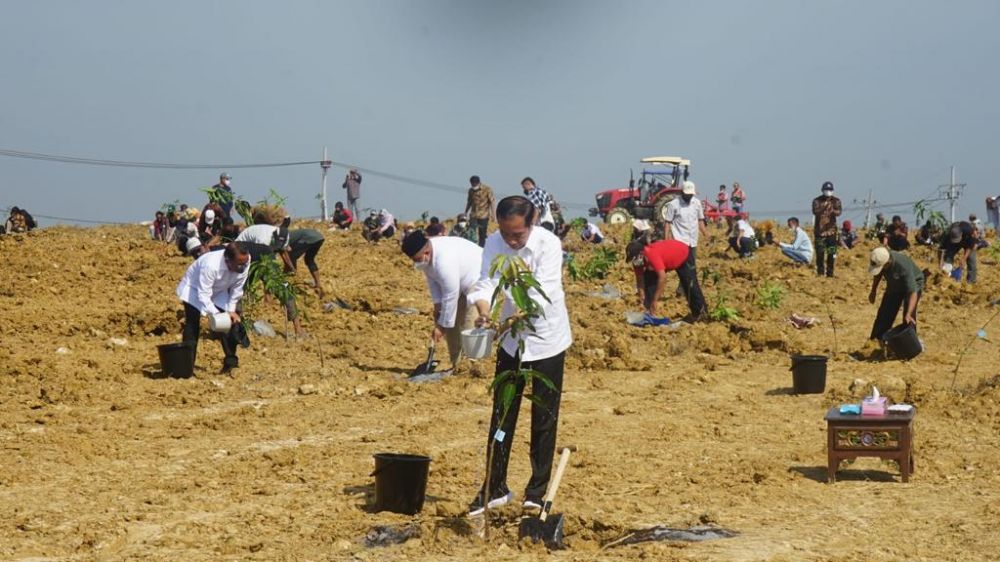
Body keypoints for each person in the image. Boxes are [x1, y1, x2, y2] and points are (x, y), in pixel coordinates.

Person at [466, 195, 572, 516]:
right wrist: (484, 312)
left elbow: (544, 292)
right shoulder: (495, 242)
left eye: (518, 235)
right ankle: (495, 486)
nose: (512, 242)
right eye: (506, 234)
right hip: (513, 344)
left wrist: (507, 319)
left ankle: (536, 491)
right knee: (502, 414)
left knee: (543, 418)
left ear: (533, 220)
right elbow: (486, 282)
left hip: (546, 341)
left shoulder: (548, 245)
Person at [402, 230, 482, 371]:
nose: (416, 263)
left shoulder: (444, 260)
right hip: (458, 282)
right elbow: (433, 281)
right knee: (450, 323)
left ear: (426, 252)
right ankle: (457, 365)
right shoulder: (427, 258)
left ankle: (472, 366)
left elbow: (451, 295)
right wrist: (438, 306)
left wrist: (440, 327)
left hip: (478, 277)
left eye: (417, 259)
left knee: (470, 323)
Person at [175, 243, 251, 374]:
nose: (243, 266)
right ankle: (186, 368)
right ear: (228, 259)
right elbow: (203, 294)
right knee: (192, 325)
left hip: (219, 290)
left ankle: (231, 364)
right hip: (194, 290)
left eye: (244, 263)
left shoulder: (245, 260)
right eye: (239, 263)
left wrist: (231, 311)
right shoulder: (210, 265)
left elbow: (237, 288)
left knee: (228, 324)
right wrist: (216, 314)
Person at [627, 238, 707, 320]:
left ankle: (701, 312)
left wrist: (655, 300)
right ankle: (649, 312)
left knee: (690, 285)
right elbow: (639, 279)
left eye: (634, 258)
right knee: (648, 278)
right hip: (666, 259)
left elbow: (662, 278)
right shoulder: (638, 261)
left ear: (641, 253)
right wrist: (642, 295)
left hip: (682, 254)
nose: (634, 262)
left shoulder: (651, 255)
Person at [868, 246, 923, 341]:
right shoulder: (882, 258)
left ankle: (911, 343)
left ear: (887, 263)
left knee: (908, 317)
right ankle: (877, 339)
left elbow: (912, 292)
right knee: (884, 313)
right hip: (894, 284)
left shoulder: (903, 267)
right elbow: (878, 275)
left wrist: (909, 313)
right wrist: (873, 291)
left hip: (913, 283)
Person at [664, 181, 709, 297]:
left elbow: (700, 220)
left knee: (692, 266)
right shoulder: (673, 204)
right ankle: (683, 289)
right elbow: (668, 222)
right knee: (682, 266)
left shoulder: (696, 203)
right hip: (679, 240)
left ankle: (684, 289)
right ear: (681, 192)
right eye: (687, 194)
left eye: (691, 194)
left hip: (692, 240)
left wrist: (706, 234)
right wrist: (666, 239)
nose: (689, 196)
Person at [282, 228, 326, 299]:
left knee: (291, 256)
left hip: (308, 238)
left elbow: (286, 256)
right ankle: (318, 284)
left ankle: (289, 281)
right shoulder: (286, 236)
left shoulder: (280, 241)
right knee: (309, 260)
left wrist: (290, 270)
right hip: (319, 237)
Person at [811, 181, 842, 277]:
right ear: (822, 190)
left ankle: (830, 273)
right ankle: (820, 272)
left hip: (831, 232)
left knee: (831, 253)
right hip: (820, 232)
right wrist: (824, 206)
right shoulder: (817, 201)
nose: (828, 191)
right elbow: (815, 212)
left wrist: (832, 210)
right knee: (820, 253)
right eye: (826, 190)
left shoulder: (836, 201)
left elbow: (839, 212)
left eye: (830, 190)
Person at [465, 175, 496, 247]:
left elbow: (492, 202)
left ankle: (481, 247)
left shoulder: (487, 189)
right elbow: (469, 202)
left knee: (482, 234)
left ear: (479, 183)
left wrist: (494, 215)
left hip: (484, 215)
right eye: (472, 184)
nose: (473, 185)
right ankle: (472, 246)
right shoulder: (471, 190)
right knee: (471, 232)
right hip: (473, 215)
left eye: (475, 184)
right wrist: (465, 212)